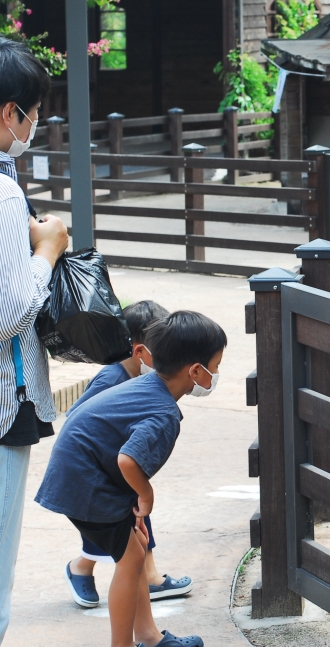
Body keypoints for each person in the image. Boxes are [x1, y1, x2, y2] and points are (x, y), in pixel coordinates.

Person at [36, 311, 226, 647]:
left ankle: (150, 637)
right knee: (132, 559)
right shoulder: (163, 413)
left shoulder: (147, 385)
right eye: (216, 366)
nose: (217, 374)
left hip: (82, 471)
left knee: (135, 549)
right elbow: (127, 460)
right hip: (84, 481)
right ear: (196, 371)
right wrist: (145, 495)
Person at [0, 38, 69, 643]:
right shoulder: (4, 193)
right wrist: (45, 251)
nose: (34, 126)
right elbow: (10, 313)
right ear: (9, 112)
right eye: (33, 113)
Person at [63, 301, 194, 609]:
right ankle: (82, 567)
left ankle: (147, 577)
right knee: (120, 523)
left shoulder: (145, 379)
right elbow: (77, 420)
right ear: (139, 350)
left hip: (118, 469)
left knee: (135, 519)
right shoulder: (111, 379)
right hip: (98, 472)